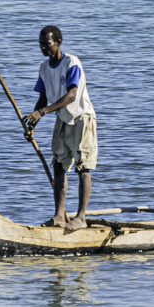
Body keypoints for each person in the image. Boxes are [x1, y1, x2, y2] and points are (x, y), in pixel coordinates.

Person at [22, 26, 98, 230]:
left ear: (58, 43)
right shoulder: (44, 68)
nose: (43, 48)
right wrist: (32, 125)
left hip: (81, 117)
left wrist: (43, 112)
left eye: (46, 44)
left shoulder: (71, 63)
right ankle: (59, 216)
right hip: (62, 118)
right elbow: (42, 99)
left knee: (83, 166)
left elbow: (71, 96)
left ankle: (80, 217)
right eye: (40, 44)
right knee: (58, 165)